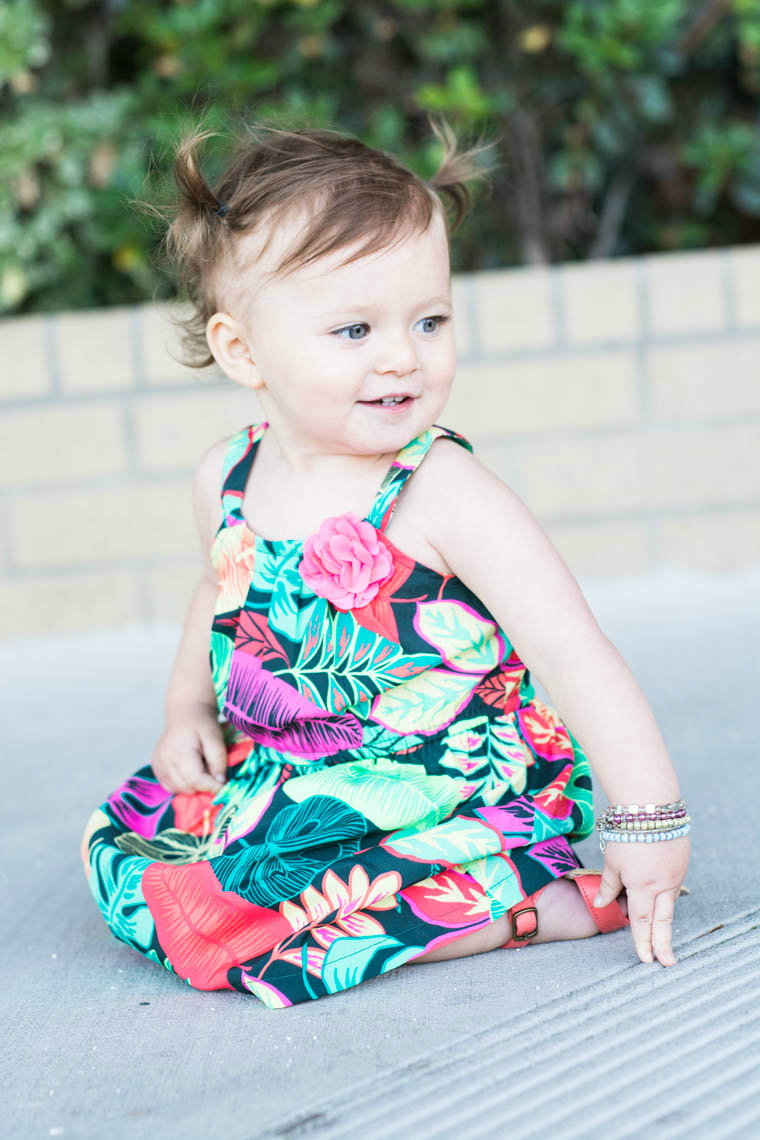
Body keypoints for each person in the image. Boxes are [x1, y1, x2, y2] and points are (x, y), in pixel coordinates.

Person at [80, 116, 690, 1008]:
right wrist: (187, 712)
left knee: (258, 909)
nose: (403, 355)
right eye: (355, 329)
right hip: (294, 772)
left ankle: (529, 904)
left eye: (429, 319)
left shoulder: (441, 489)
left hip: (448, 788)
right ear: (242, 351)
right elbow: (222, 585)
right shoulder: (230, 475)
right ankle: (320, 910)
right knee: (130, 850)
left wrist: (649, 816)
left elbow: (572, 650)